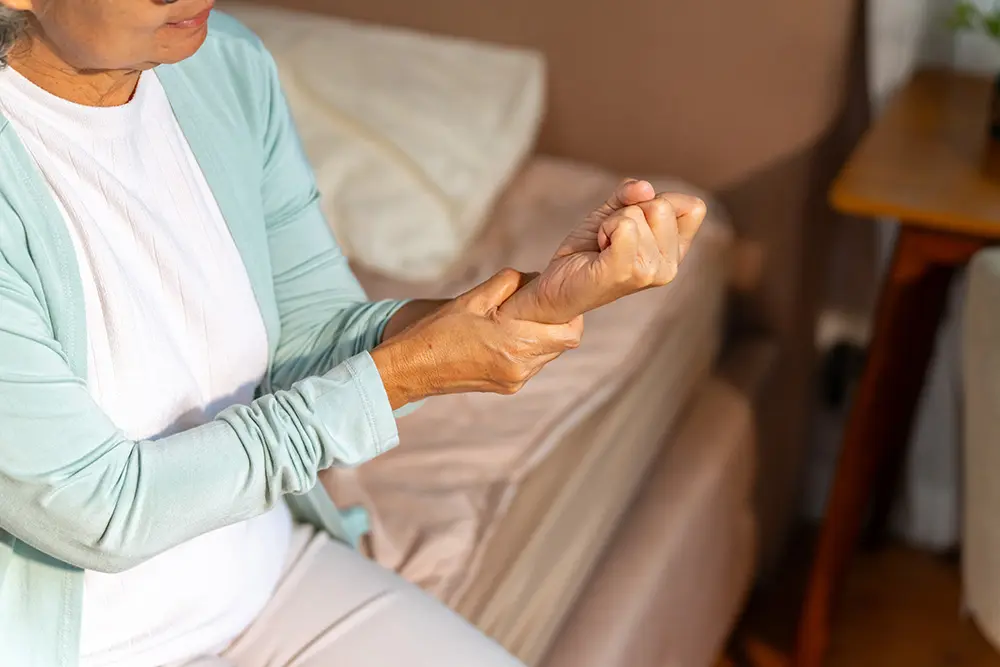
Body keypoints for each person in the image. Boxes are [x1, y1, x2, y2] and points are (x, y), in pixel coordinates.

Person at [0, 2, 706, 667]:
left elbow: (312, 333)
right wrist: (403, 375)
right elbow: (105, 510)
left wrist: (523, 307)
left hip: (267, 583)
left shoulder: (224, 67)